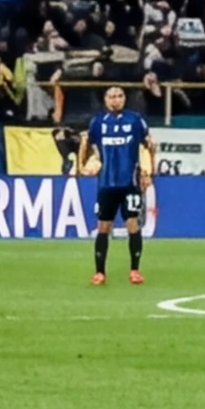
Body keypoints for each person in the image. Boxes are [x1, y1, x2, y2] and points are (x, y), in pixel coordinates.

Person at [83, 82, 153, 288]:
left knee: (133, 224)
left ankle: (135, 270)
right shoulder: (97, 122)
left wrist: (149, 172)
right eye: (112, 96)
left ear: (124, 99)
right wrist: (85, 165)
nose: (116, 100)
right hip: (106, 183)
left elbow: (148, 145)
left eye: (120, 96)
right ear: (105, 100)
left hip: (129, 182)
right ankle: (99, 272)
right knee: (103, 226)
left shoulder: (135, 120)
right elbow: (88, 146)